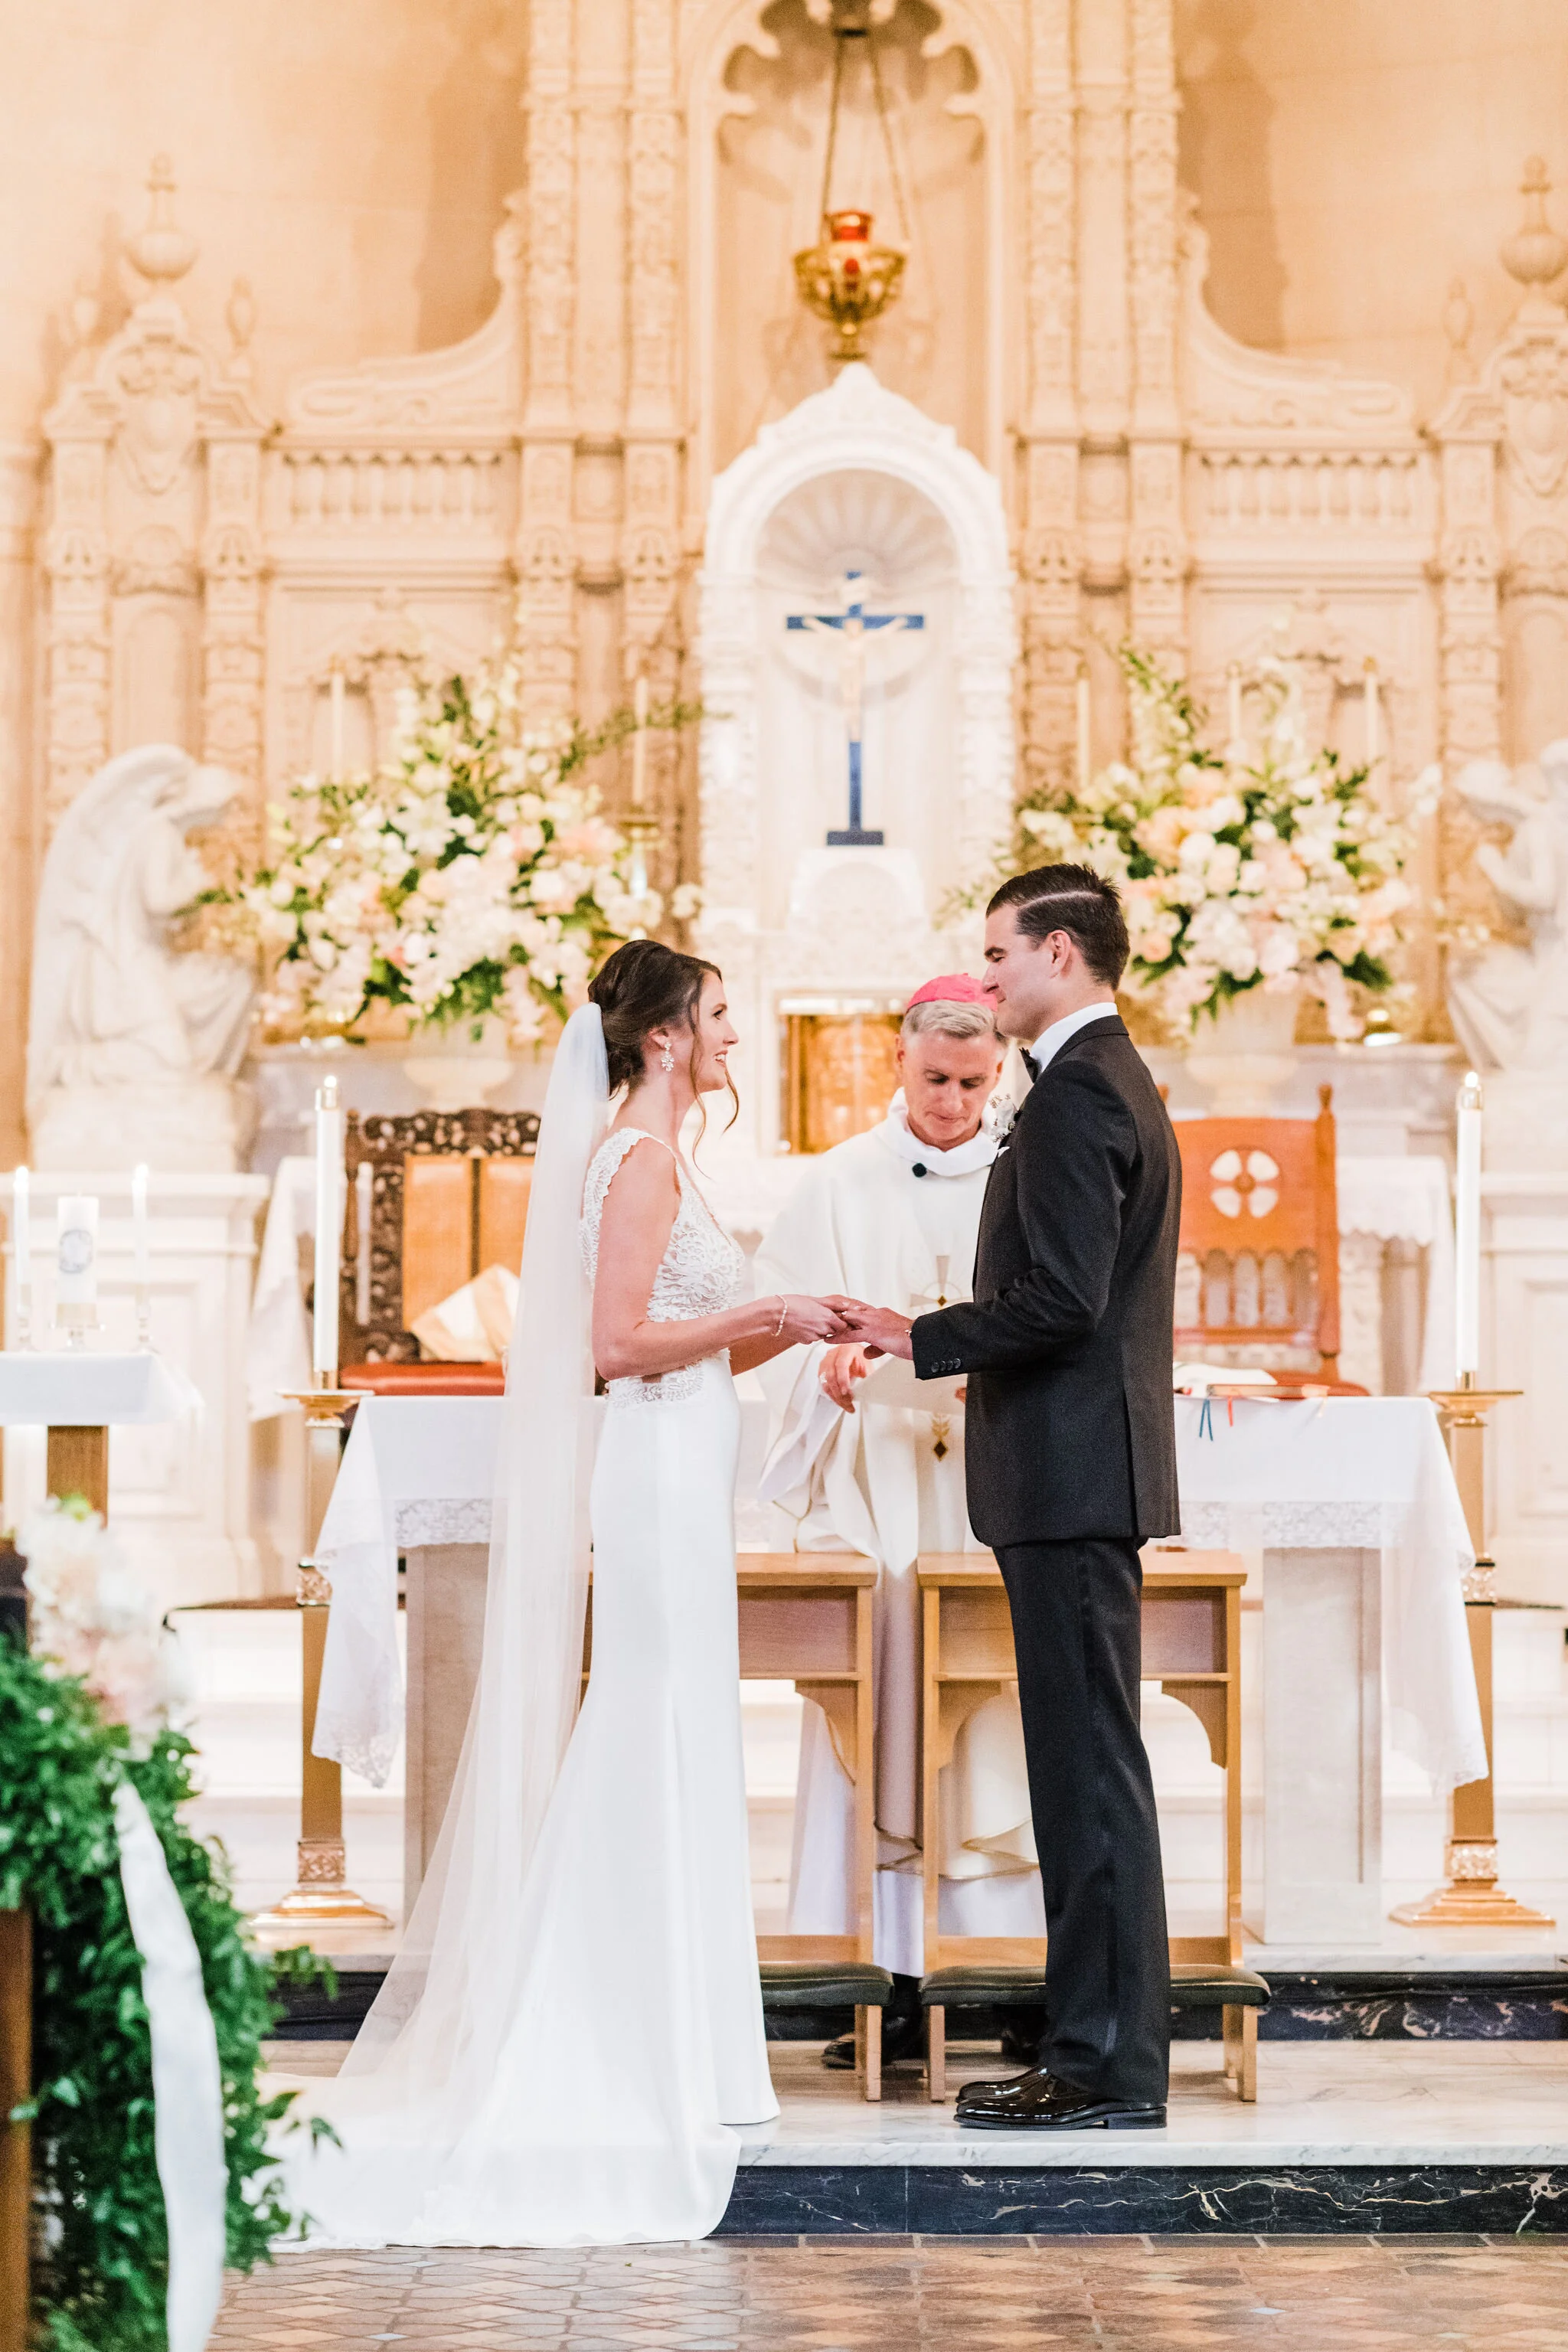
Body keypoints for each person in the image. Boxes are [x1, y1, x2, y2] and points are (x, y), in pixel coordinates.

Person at [285, 939, 852, 2243]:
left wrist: (793, 1324)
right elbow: (616, 1344)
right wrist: (764, 1312)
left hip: (682, 1463)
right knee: (650, 1718)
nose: (734, 1037)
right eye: (718, 1016)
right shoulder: (638, 1156)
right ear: (663, 1037)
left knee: (680, 1726)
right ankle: (616, 2025)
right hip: (652, 1472)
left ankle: (688, 2035)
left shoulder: (660, 1152)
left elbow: (679, 1339)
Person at [838, 864, 1181, 2132]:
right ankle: (1100, 2048)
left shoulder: (1081, 1090)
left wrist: (915, 1333)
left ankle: (1102, 2064)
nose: (985, 977)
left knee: (1088, 1778)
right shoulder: (1104, 1076)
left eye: (998, 953)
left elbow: (1064, 1302)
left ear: (1059, 953)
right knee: (1088, 1772)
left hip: (1071, 1478)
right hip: (1079, 1477)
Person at [753, 978, 1045, 2069]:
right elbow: (775, 1325)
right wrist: (825, 1366)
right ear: (897, 1061)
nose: (953, 1102)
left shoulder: (1028, 1173)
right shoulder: (837, 1181)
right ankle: (884, 1975)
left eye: (973, 1083)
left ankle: (1010, 1971)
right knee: (875, 1712)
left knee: (1000, 1717)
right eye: (935, 1079)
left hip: (991, 1480)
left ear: (998, 1074)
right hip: (878, 1487)